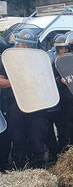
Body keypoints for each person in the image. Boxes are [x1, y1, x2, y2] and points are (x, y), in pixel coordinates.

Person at [0, 29, 48, 168]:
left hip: (37, 104)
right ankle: (18, 167)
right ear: (18, 44)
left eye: (29, 45)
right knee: (18, 138)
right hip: (16, 104)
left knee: (37, 138)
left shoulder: (42, 60)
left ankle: (38, 168)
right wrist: (18, 82)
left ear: (34, 46)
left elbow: (48, 82)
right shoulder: (8, 59)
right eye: (22, 44)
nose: (25, 48)